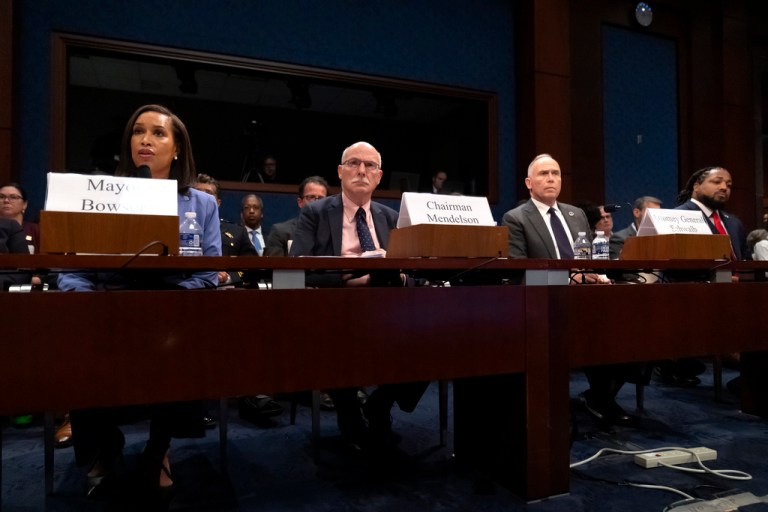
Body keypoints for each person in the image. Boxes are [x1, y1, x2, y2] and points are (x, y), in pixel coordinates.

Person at [57, 104, 221, 497]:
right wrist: (86, 300)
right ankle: (105, 444)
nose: (146, 140)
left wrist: (172, 301)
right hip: (106, 305)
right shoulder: (97, 194)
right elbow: (70, 269)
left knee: (183, 344)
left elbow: (209, 271)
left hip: (171, 308)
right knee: (83, 347)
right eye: (138, 132)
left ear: (178, 148)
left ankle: (159, 447)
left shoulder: (202, 204)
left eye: (158, 133)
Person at [290, 141, 428, 454]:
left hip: (389, 307)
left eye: (369, 166)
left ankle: (379, 403)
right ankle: (349, 414)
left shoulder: (391, 217)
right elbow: (298, 269)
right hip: (337, 306)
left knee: (435, 334)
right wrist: (353, 277)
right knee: (339, 338)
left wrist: (399, 278)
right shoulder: (316, 213)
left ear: (379, 176)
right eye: (353, 163)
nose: (361, 171)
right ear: (340, 172)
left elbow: (413, 271)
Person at [502, 154, 634, 428]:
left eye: (556, 173)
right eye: (543, 174)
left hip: (587, 297)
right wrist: (568, 279)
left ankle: (601, 395)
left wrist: (597, 275)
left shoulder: (576, 214)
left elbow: (589, 258)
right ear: (529, 182)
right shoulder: (515, 218)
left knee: (632, 323)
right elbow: (518, 271)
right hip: (545, 303)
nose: (551, 178)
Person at [675, 166, 748, 260]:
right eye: (717, 182)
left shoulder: (735, 223)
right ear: (696, 187)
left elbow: (746, 259)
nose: (724, 187)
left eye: (728, 185)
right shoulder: (678, 217)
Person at [264, 176, 329, 257]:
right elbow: (274, 267)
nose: (316, 203)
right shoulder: (280, 232)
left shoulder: (334, 232)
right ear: (300, 202)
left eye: (321, 198)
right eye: (311, 197)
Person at [0, 182, 39, 254]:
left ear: (24, 204)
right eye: (1, 197)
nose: (6, 200)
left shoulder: (35, 230)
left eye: (13, 197)